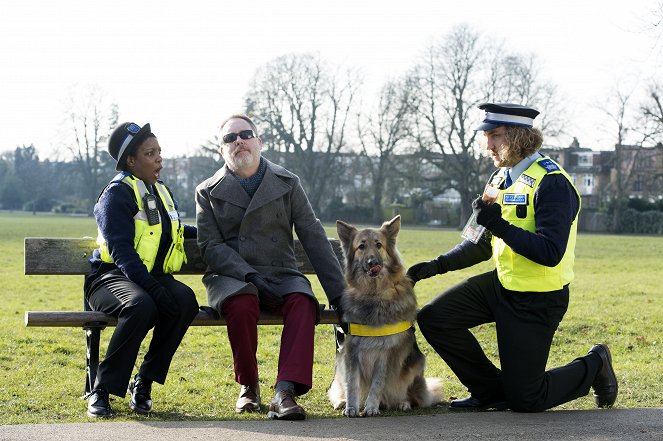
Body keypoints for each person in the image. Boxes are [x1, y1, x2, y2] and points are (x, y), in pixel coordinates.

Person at [408, 103, 618, 412]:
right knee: (435, 318)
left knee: (527, 399)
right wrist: (435, 266)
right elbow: (480, 244)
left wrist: (497, 224)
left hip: (538, 297)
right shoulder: (498, 179)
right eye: (487, 137)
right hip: (502, 285)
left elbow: (550, 252)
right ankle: (491, 391)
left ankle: (594, 364)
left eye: (495, 136)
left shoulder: (553, 182)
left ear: (519, 136)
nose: (488, 145)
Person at [195, 114, 345, 420]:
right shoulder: (207, 191)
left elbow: (313, 236)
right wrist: (248, 275)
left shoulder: (288, 183)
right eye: (229, 138)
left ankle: (284, 391)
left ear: (259, 142)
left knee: (304, 302)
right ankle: (249, 386)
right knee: (241, 302)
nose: (238, 141)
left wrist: (341, 296)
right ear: (221, 150)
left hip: (280, 272)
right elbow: (210, 246)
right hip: (232, 276)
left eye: (245, 134)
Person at [84, 122, 199, 417]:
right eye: (150, 153)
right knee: (141, 304)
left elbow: (170, 228)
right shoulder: (116, 194)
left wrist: (206, 232)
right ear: (131, 161)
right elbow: (121, 252)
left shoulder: (160, 190)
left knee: (185, 300)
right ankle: (102, 389)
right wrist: (154, 289)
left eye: (159, 151)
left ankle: (144, 382)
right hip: (110, 278)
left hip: (148, 277)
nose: (159, 158)